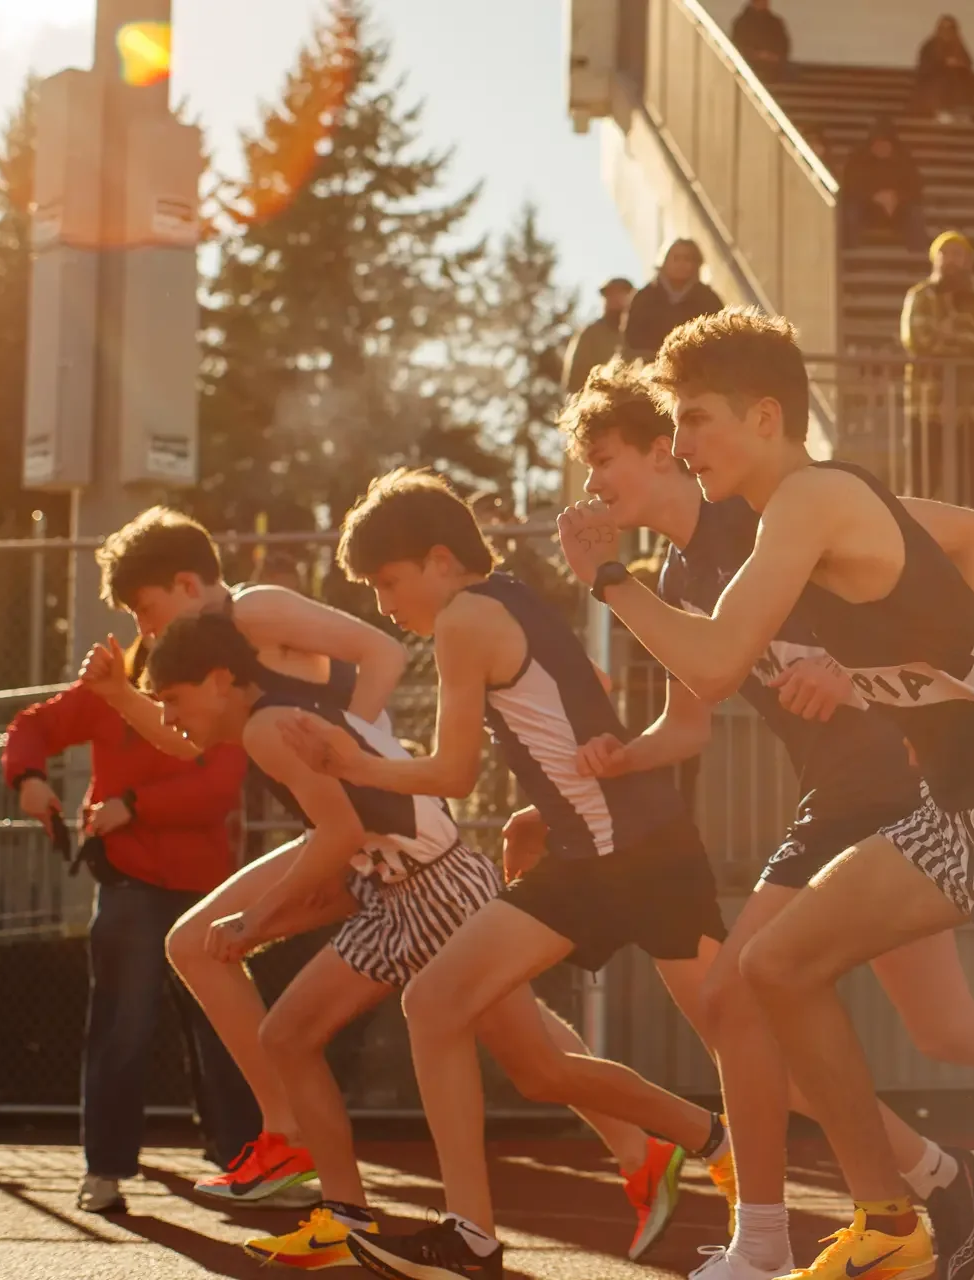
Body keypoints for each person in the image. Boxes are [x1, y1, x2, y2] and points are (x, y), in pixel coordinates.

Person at [556, 309, 974, 1280]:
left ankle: (777, 1238)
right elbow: (699, 701)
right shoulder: (678, 570)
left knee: (742, 987)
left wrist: (894, 668)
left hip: (899, 776)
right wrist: (622, 754)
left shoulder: (776, 500)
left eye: (608, 458)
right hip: (861, 787)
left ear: (665, 451)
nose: (594, 486)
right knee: (939, 1024)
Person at [269, 470, 738, 1279]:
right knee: (447, 1008)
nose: (385, 606)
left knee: (757, 1039)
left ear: (442, 560)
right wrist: (546, 814)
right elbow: (574, 707)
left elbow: (452, 774)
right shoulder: (513, 596)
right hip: (603, 851)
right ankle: (477, 1233)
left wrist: (353, 763)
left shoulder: (464, 619)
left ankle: (899, 1170)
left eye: (389, 582)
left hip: (630, 858)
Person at [144, 610, 503, 1267]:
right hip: (393, 898)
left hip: (438, 891)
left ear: (221, 680)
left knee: (540, 1065)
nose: (169, 718)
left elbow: (334, 838)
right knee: (287, 1035)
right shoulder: (275, 718)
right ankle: (342, 1219)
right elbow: (346, 859)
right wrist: (263, 926)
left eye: (173, 699)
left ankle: (701, 1140)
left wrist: (254, 922)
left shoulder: (266, 729)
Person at [3, 668, 259, 1216]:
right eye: (137, 612)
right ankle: (106, 1169)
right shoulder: (113, 684)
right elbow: (32, 725)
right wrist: (27, 778)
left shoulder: (219, 682)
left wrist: (136, 804)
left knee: (226, 1030)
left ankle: (245, 1161)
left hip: (207, 888)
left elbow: (218, 790)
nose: (146, 625)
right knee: (122, 1027)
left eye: (150, 608)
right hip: (127, 882)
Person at [82, 506, 407, 762]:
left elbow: (384, 652)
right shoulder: (212, 649)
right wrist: (120, 695)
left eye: (146, 609)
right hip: (349, 809)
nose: (144, 629)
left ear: (188, 585)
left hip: (390, 805)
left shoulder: (254, 611)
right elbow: (190, 745)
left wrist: (347, 749)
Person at [901, 231, 974, 508]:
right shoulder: (919, 297)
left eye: (958, 254)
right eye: (944, 253)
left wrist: (950, 337)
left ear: (969, 261)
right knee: (921, 481)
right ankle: (915, 539)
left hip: (972, 406)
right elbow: (918, 339)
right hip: (928, 404)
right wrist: (971, 339)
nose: (950, 260)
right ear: (934, 259)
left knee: (970, 482)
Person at [623, 239, 726, 361]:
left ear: (696, 264)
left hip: (696, 369)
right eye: (676, 258)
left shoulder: (708, 299)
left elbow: (719, 340)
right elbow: (632, 340)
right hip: (650, 367)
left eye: (687, 259)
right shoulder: (645, 297)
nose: (681, 264)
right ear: (664, 262)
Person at [840, 122, 928, 251]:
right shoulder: (858, 160)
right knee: (851, 211)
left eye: (885, 144)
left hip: (897, 210)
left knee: (915, 213)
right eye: (877, 144)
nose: (881, 147)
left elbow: (916, 187)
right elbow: (849, 186)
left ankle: (917, 257)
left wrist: (897, 197)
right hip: (868, 209)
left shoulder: (904, 160)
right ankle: (852, 254)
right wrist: (873, 196)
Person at [564, 277, 637, 393]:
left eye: (621, 293)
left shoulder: (640, 332)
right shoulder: (590, 334)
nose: (615, 299)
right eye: (610, 294)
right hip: (597, 401)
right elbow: (574, 379)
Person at [914, 14, 974, 125]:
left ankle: (959, 111)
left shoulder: (959, 47)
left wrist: (959, 64)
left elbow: (968, 64)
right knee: (942, 80)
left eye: (950, 29)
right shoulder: (929, 46)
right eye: (944, 28)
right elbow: (924, 68)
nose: (947, 32)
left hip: (957, 85)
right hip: (934, 84)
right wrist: (943, 63)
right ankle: (940, 111)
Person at [731, 0, 790, 82]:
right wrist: (755, 55)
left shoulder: (775, 23)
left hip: (774, 69)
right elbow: (737, 46)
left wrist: (774, 57)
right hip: (749, 67)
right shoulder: (742, 23)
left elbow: (784, 45)